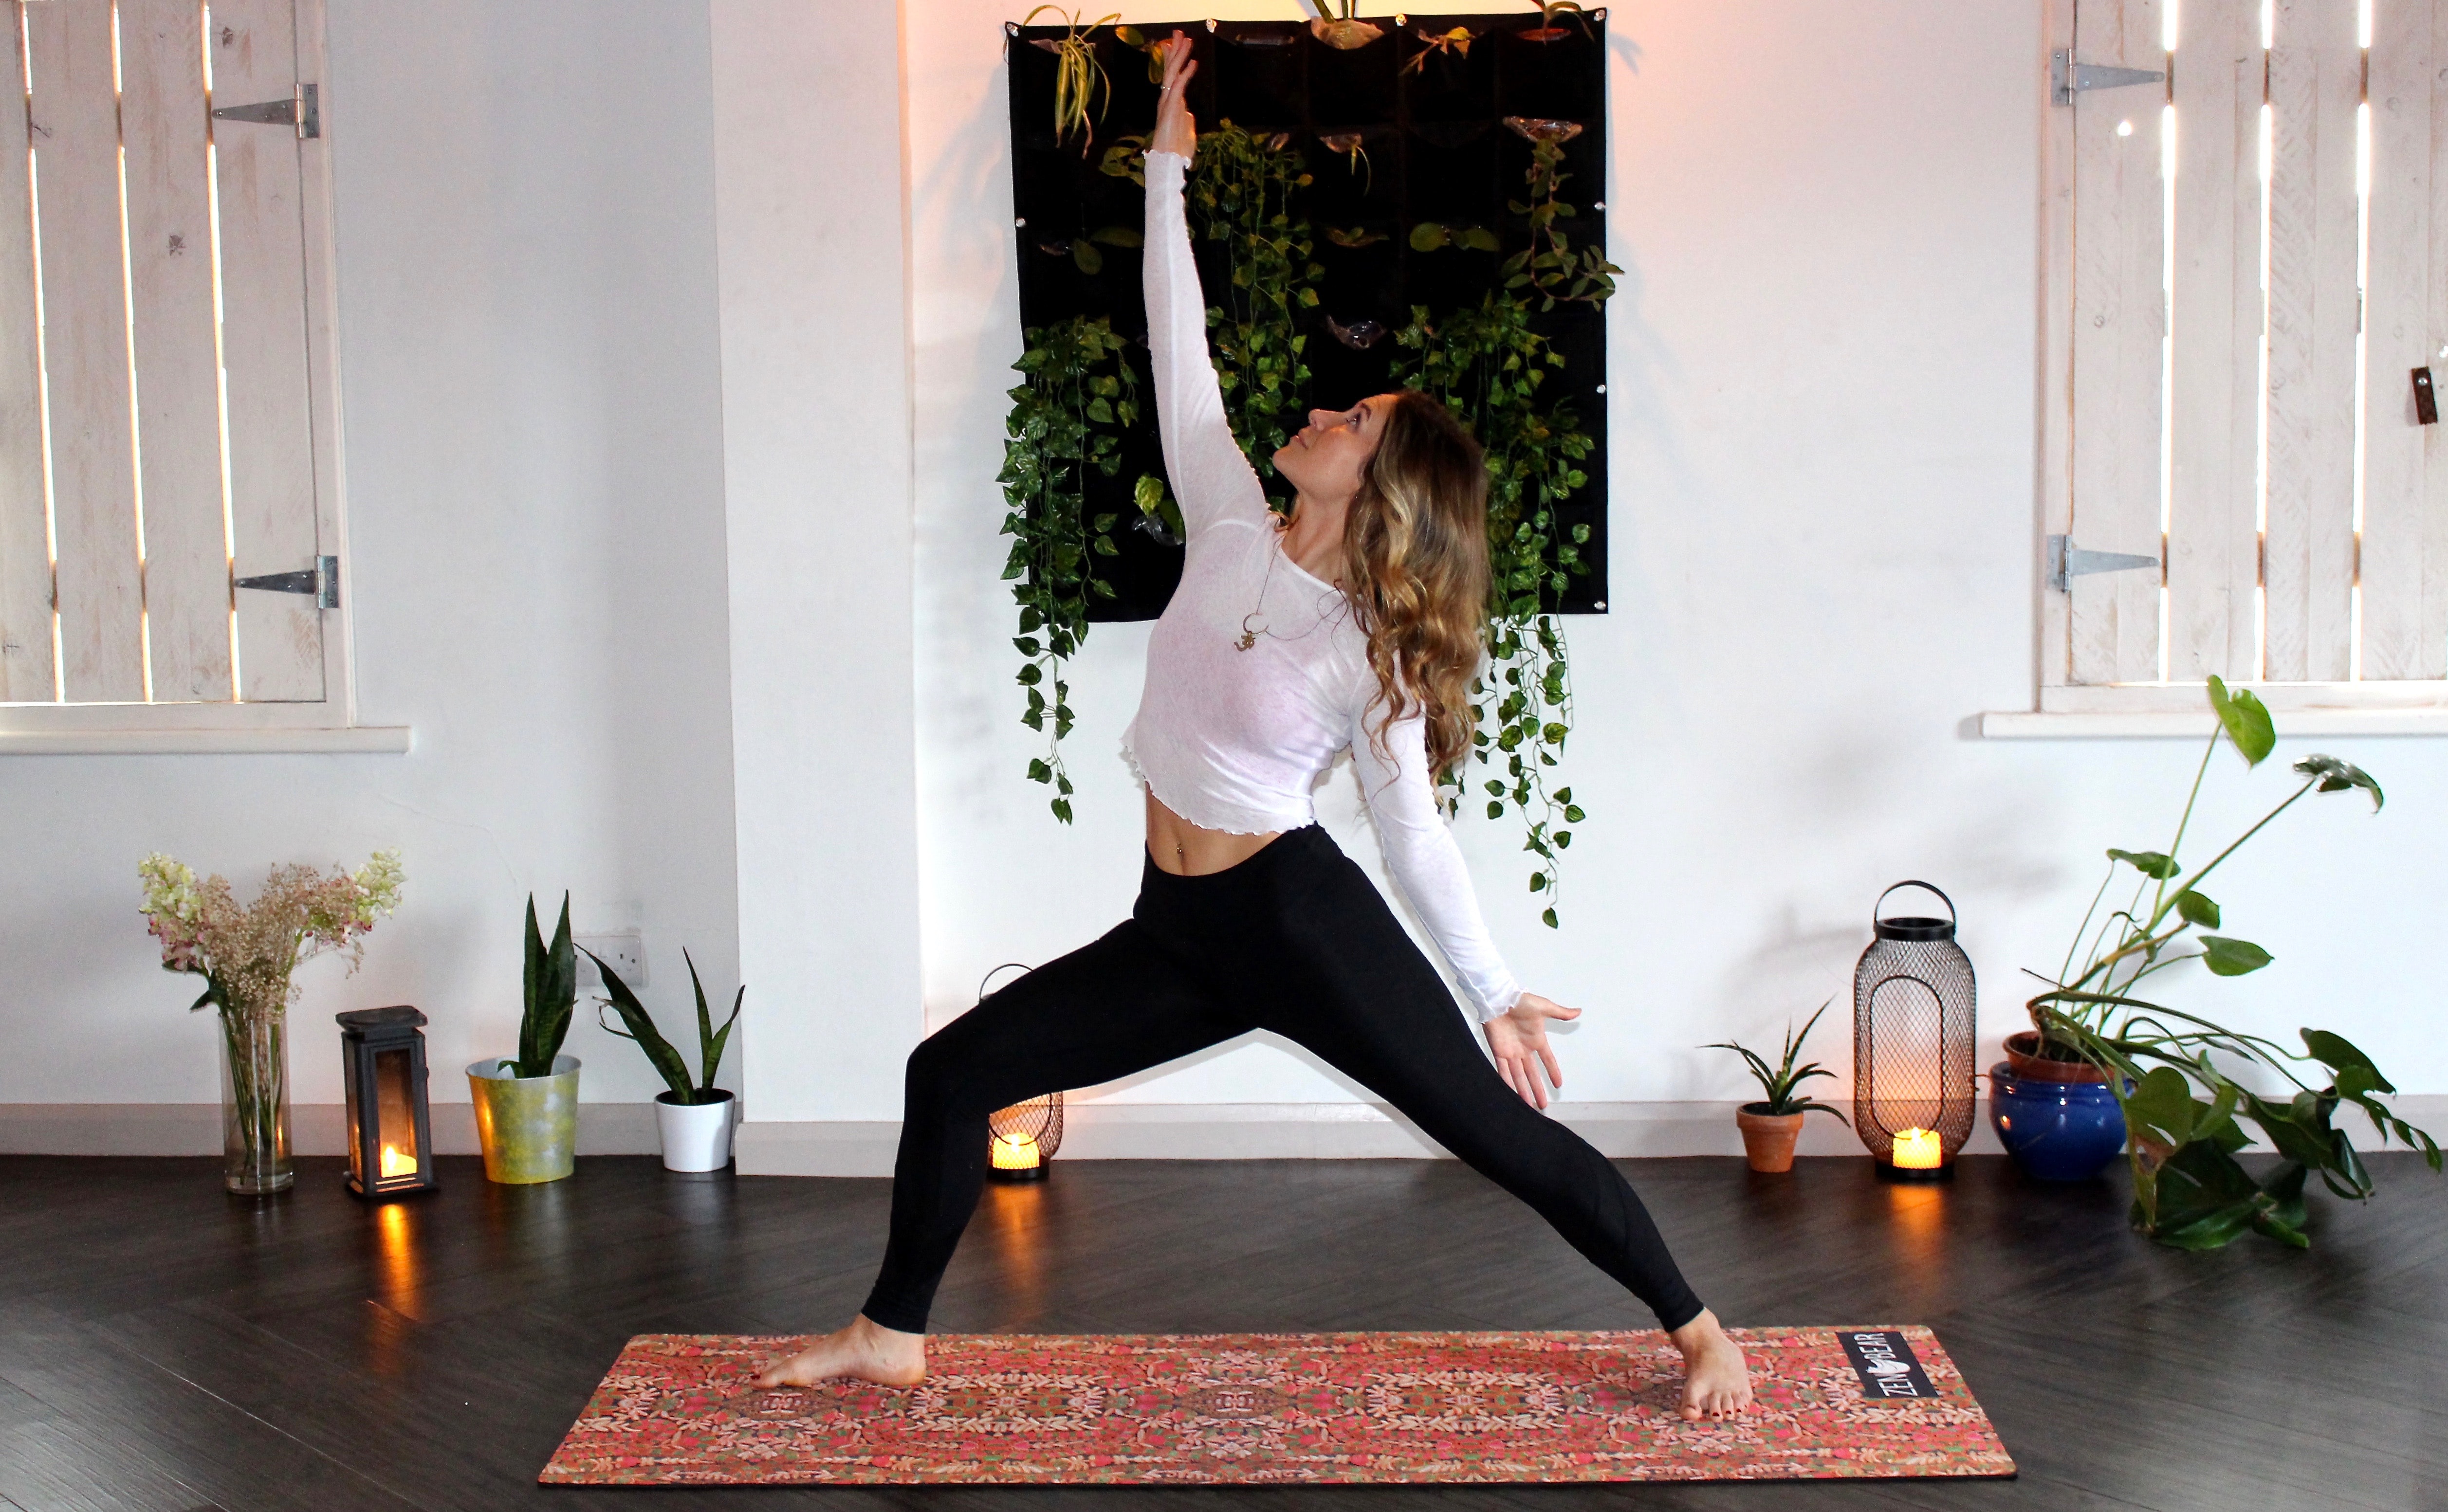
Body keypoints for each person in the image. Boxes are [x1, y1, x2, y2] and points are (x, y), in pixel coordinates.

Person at [755, 32, 1752, 1421]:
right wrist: (1165, 175)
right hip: (1179, 928)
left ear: (1384, 485)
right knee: (954, 1071)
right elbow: (1181, 351)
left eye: (1356, 418)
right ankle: (890, 1332)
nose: (1326, 412)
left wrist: (1492, 989)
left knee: (1493, 1130)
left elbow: (1414, 835)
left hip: (1298, 924)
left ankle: (1700, 1327)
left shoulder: (1367, 648)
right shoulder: (1229, 517)